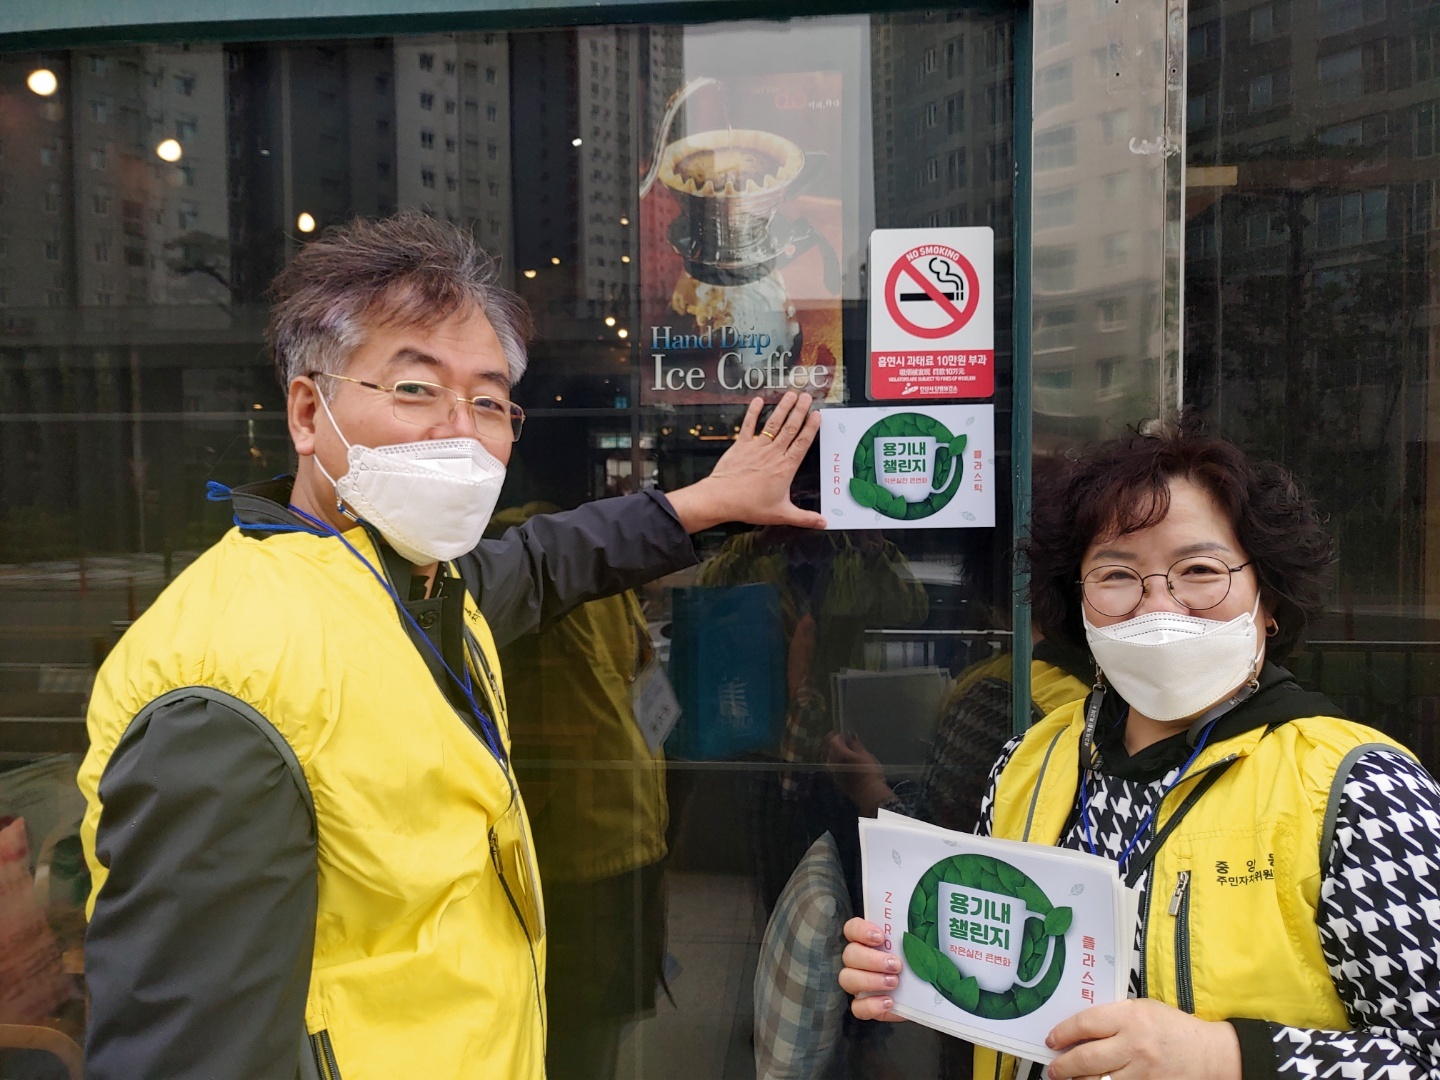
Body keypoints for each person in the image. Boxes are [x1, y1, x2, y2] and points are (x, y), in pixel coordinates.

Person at [75, 212, 824, 1080]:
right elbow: (185, 1050)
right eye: (415, 389)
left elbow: (543, 562)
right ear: (309, 410)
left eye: (489, 400)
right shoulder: (225, 690)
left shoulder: (415, 586)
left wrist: (704, 503)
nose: (463, 433)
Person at [838, 420, 1440, 1079]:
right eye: (1117, 575)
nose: (1159, 606)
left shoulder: (1360, 791)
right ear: (1080, 605)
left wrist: (1229, 1059)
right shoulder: (1027, 764)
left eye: (1200, 571)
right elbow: (1006, 973)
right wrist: (929, 971)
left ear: (1268, 599)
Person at [488, 501, 670, 1080]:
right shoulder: (523, 577)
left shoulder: (600, 581)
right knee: (573, 1037)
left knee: (595, 1032)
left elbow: (644, 704)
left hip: (620, 843)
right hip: (576, 854)